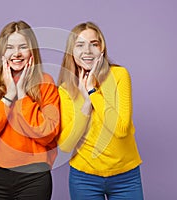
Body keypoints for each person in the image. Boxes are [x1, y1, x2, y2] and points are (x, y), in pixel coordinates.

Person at [0, 20, 60, 200]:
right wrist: (8, 97)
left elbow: (48, 133)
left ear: (32, 51)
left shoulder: (46, 82)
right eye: (10, 47)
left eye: (23, 46)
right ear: (2, 52)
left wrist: (22, 95)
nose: (16, 53)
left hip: (35, 179)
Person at [57, 22, 144, 199]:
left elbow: (121, 129)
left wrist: (92, 91)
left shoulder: (119, 75)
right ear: (71, 52)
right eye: (80, 45)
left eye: (93, 44)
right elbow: (66, 145)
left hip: (125, 176)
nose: (87, 51)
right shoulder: (65, 89)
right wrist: (86, 105)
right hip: (84, 178)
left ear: (101, 48)